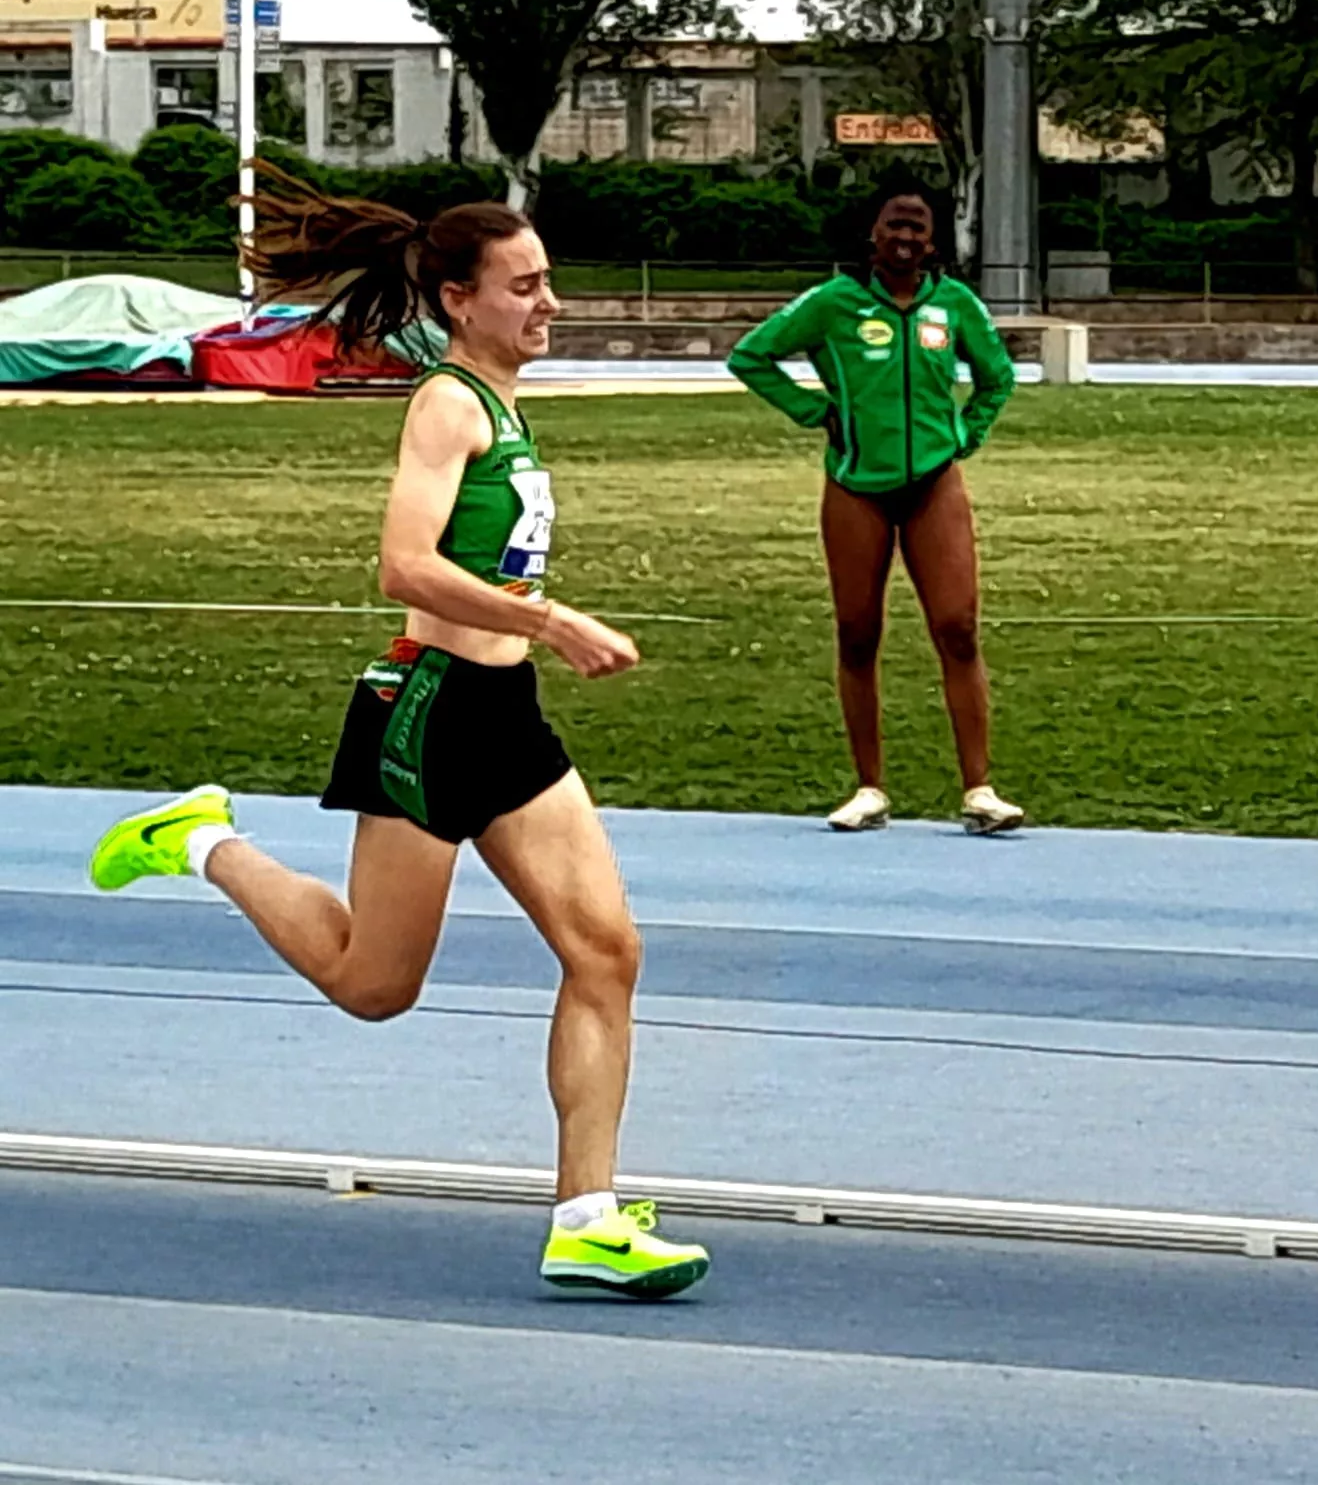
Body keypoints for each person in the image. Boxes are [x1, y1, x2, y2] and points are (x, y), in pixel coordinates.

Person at [86, 166, 709, 1300]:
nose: (547, 304)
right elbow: (405, 567)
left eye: (548, 281)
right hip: (424, 712)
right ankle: (200, 842)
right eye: (522, 287)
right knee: (375, 985)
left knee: (608, 952)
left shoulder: (509, 402)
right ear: (459, 300)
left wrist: (532, 638)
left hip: (504, 715)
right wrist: (555, 617)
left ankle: (587, 1216)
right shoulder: (448, 402)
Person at [728, 190, 1023, 834]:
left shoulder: (955, 305)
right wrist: (814, 410)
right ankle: (869, 789)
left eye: (919, 228)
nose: (907, 236)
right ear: (873, 234)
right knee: (858, 634)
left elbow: (997, 376)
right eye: (896, 224)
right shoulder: (833, 304)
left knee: (958, 628)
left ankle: (979, 789)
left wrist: (964, 435)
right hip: (856, 485)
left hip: (934, 486)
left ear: (934, 243)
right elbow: (750, 356)